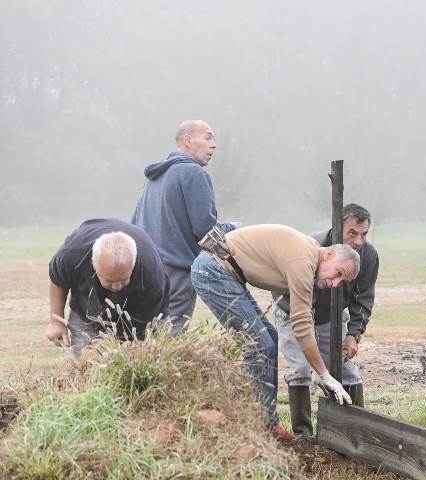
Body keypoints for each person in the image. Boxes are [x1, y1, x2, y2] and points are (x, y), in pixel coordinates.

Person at [190, 224, 361, 442]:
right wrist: (324, 374)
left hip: (224, 272)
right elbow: (301, 322)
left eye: (341, 281)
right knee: (259, 345)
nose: (335, 283)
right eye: (338, 273)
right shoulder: (303, 261)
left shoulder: (309, 256)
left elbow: (304, 317)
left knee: (270, 339)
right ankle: (258, 427)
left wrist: (318, 371)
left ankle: (267, 423)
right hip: (213, 271)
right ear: (329, 254)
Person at [274, 203, 380, 437]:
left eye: (364, 234)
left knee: (347, 371)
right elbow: (283, 288)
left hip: (331, 317)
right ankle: (304, 436)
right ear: (337, 225)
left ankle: (355, 434)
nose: (359, 241)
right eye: (352, 233)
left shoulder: (369, 256)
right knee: (301, 370)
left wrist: (353, 334)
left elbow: (363, 299)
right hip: (292, 312)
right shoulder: (311, 248)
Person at [132, 119, 236, 333]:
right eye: (207, 137)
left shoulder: (154, 178)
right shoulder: (194, 173)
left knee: (149, 335)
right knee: (172, 337)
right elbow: (205, 231)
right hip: (176, 273)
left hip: (146, 270)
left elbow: (134, 224)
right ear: (188, 140)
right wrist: (236, 230)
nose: (214, 144)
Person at [46, 219, 170, 356]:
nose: (117, 287)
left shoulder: (151, 275)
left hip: (140, 309)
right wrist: (56, 322)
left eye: (123, 280)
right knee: (83, 362)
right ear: (94, 264)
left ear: (133, 266)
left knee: (139, 357)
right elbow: (58, 281)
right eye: (110, 280)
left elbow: (140, 335)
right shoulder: (72, 255)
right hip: (86, 305)